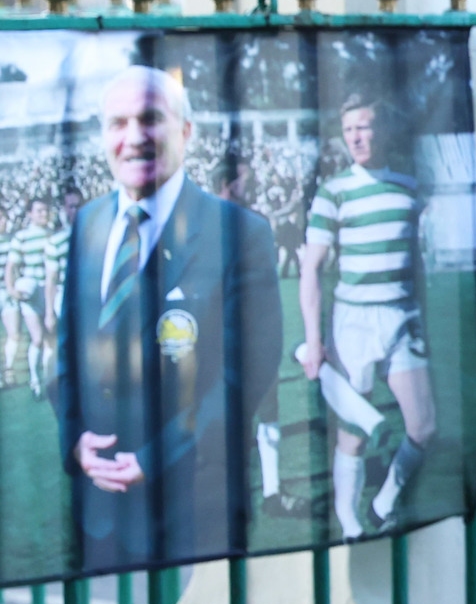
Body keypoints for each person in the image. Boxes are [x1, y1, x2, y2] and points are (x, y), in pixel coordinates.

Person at [55, 65, 282, 572]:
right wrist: (74, 438)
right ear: (102, 137)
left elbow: (242, 379)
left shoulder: (240, 233)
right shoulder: (86, 224)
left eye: (150, 119)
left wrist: (154, 458)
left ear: (185, 131)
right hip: (98, 513)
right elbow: (67, 347)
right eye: (118, 123)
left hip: (193, 511)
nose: (134, 137)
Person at [298, 94, 436, 539]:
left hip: (402, 318)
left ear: (381, 130)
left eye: (365, 126)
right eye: (350, 129)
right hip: (354, 321)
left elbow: (418, 262)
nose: (357, 136)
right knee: (354, 431)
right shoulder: (333, 190)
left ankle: (384, 502)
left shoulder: (407, 187)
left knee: (423, 426)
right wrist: (314, 340)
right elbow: (311, 269)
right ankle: (348, 517)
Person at [4, 197, 59, 398]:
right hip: (31, 292)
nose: (43, 214)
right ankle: (35, 381)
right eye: (39, 211)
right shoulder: (21, 237)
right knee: (37, 338)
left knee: (50, 340)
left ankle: (49, 380)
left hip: (50, 292)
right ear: (29, 214)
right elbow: (12, 266)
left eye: (46, 210)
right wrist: (11, 288)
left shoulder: (53, 235)